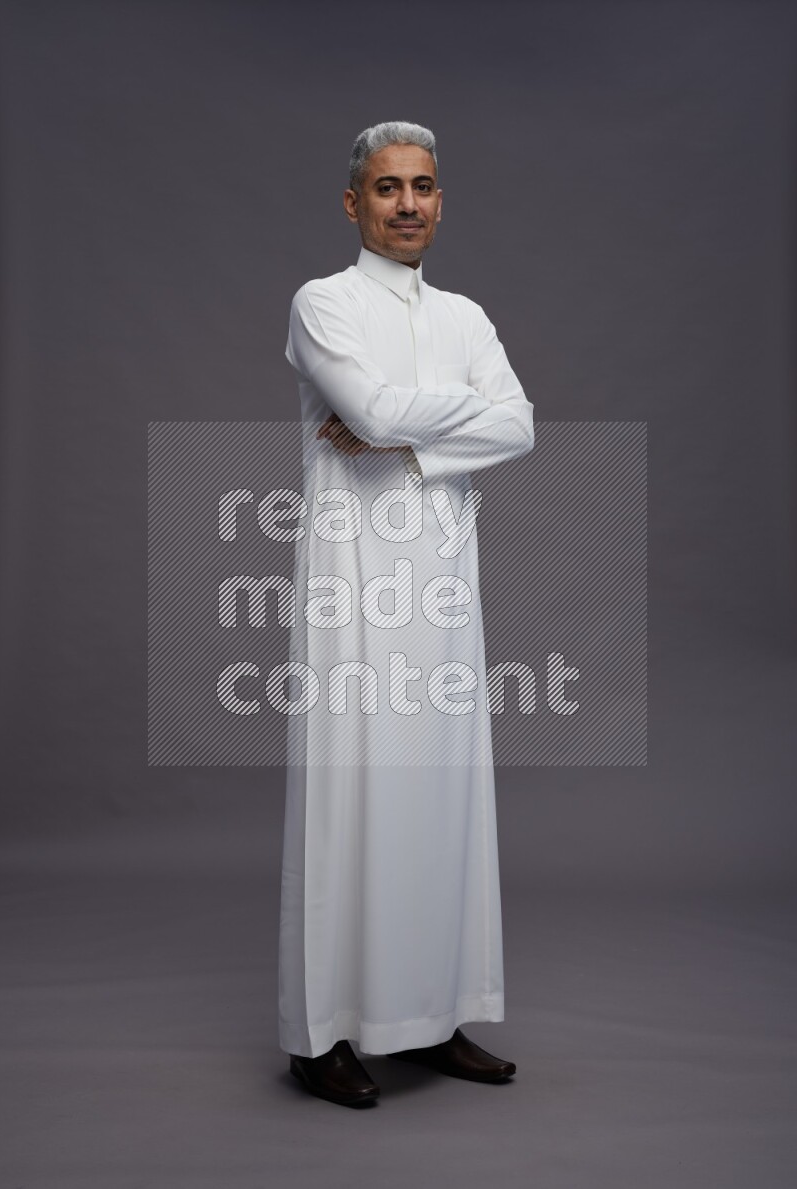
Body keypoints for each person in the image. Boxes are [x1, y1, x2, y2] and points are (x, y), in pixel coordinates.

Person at [278, 120, 535, 1107]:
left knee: (442, 796)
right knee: (349, 800)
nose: (407, 204)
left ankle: (430, 1014)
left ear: (440, 198)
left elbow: (516, 422)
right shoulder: (321, 304)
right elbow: (374, 414)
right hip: (354, 588)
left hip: (441, 585)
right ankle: (322, 1035)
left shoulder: (465, 315)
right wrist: (425, 418)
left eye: (423, 186)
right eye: (386, 188)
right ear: (353, 204)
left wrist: (401, 427)